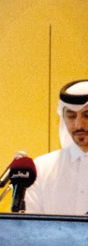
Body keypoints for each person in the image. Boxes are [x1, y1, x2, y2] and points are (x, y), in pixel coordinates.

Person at [26, 79, 88, 215]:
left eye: (87, 115)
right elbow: (31, 230)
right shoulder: (42, 169)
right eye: (71, 116)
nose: (79, 125)